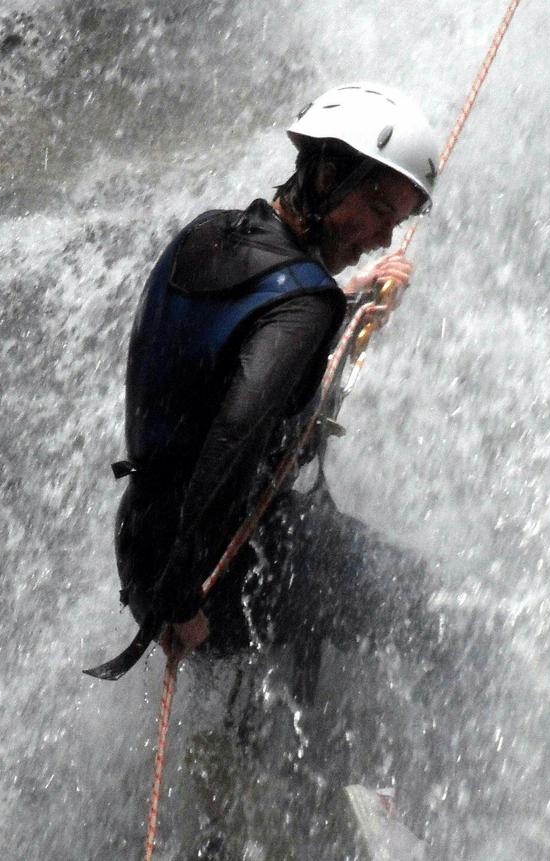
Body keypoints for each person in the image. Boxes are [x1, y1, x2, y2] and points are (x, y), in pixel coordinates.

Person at [86, 83, 441, 685]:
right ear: (329, 176)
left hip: (142, 543)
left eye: (398, 222)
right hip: (211, 573)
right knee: (424, 603)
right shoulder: (306, 306)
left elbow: (232, 340)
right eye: (381, 212)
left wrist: (350, 301)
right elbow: (235, 436)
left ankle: (259, 733)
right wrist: (183, 600)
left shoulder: (206, 234)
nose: (383, 239)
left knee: (329, 551)